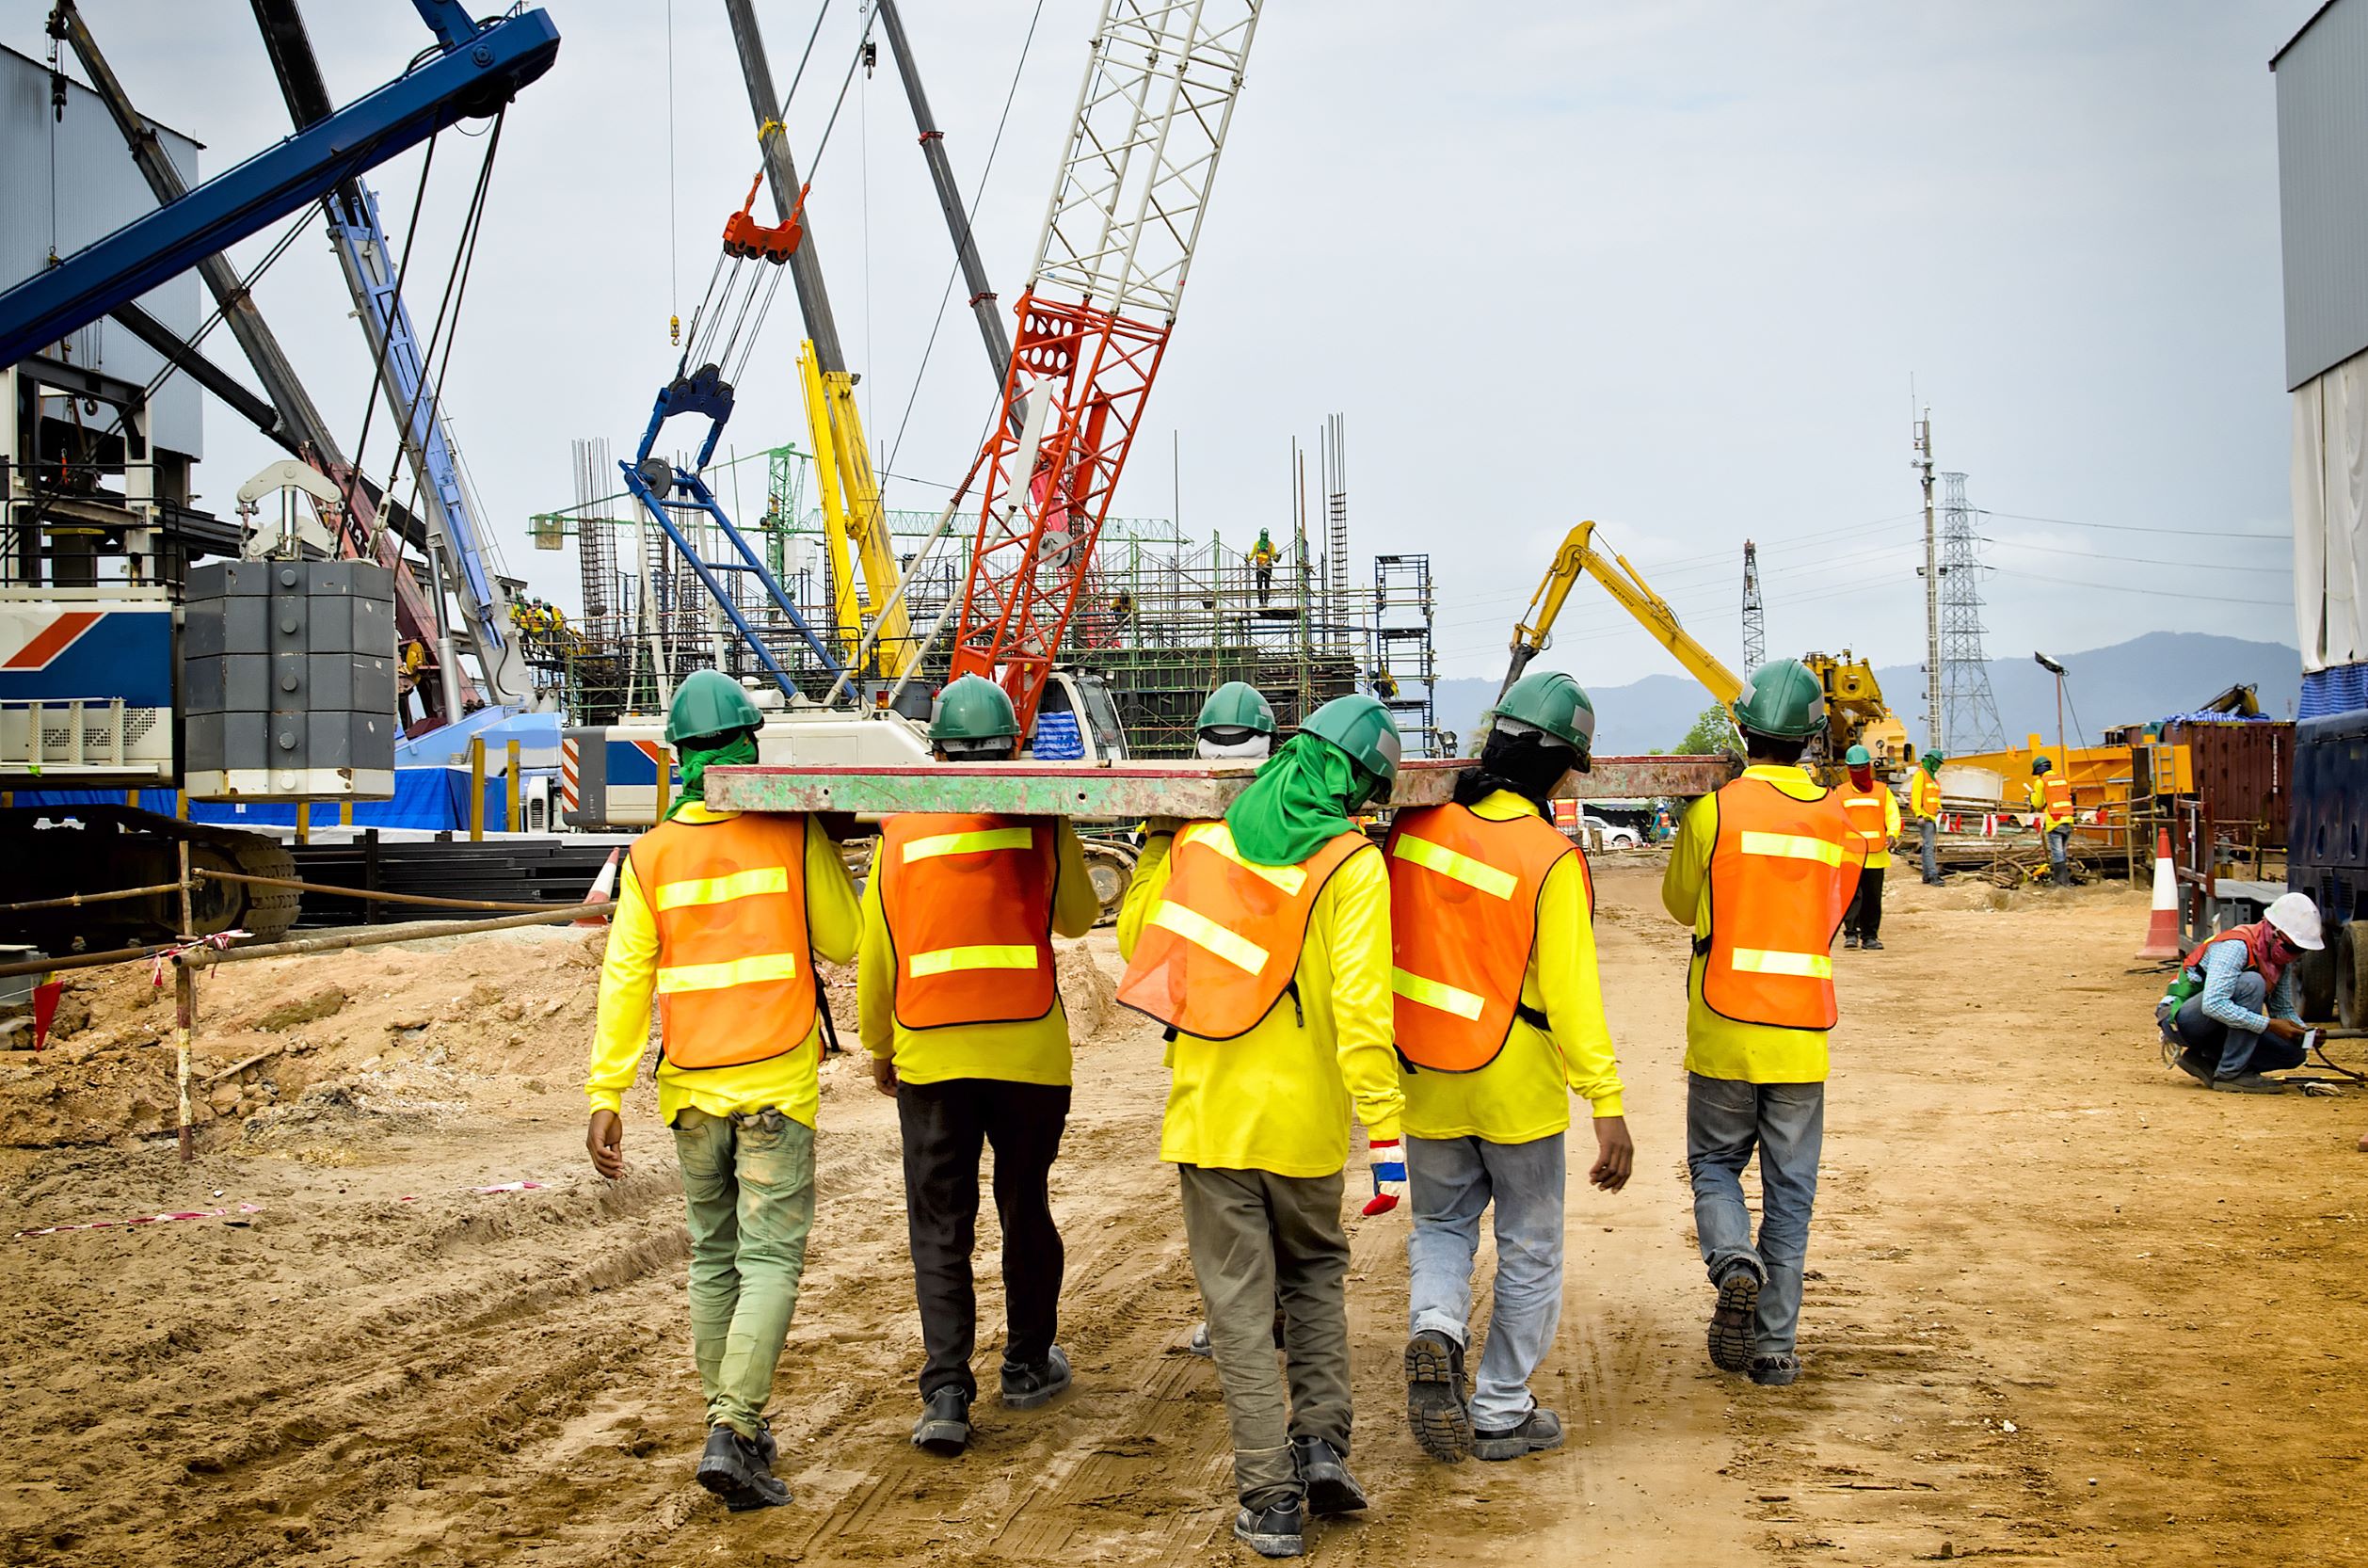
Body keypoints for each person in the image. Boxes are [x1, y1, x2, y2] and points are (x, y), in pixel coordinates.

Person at [1115, 694, 1406, 1559]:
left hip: (1209, 1118)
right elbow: (1361, 1010)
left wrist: (1152, 851)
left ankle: (1269, 1502)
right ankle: (1322, 1450)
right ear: (1359, 789)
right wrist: (1386, 1138)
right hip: (1306, 1126)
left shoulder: (1203, 844)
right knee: (1314, 1277)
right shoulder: (1354, 866)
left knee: (1239, 1313)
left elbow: (1142, 946)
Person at [584, 669, 861, 1512]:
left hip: (691, 1094)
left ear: (680, 757)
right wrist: (821, 839)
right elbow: (846, 943)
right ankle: (734, 1430)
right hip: (775, 1084)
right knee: (770, 1258)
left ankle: (732, 1421)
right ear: (752, 744)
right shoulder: (786, 831)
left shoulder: (651, 852)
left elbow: (626, 975)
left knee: (714, 1259)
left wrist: (606, 1090)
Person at [1385, 671, 1633, 1466]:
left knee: (1441, 1227)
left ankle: (1436, 1328)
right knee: (1528, 1245)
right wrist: (1607, 1102)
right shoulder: (1551, 859)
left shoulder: (1417, 828)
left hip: (1424, 1075)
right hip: (1517, 1084)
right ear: (1558, 768)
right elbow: (1573, 998)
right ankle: (1498, 1407)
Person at [858, 674, 1101, 1458]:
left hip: (931, 1051)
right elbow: (1077, 921)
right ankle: (1028, 1363)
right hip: (1029, 1052)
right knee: (1022, 1203)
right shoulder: (1036, 818)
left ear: (935, 747)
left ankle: (947, 1392)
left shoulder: (900, 832)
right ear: (1012, 746)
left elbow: (878, 955)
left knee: (940, 1223)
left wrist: (880, 1047)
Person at [1660, 659, 1862, 1390]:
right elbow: (1835, 913)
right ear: (1812, 739)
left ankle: (1731, 1261)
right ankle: (1775, 1349)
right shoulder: (1838, 821)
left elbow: (1682, 906)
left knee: (1715, 1167)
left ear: (1742, 731)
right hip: (1802, 1036)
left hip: (1721, 1026)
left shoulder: (1713, 813)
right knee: (1791, 1193)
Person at [2158, 892, 2324, 1094]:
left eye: (2300, 950)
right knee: (2251, 982)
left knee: (2294, 1053)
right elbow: (2213, 1004)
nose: (2293, 955)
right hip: (2183, 1021)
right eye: (2290, 947)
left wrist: (2304, 1033)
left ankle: (2205, 1059)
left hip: (2217, 1026)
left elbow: (2282, 1009)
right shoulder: (2235, 946)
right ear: (2272, 931)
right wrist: (2268, 1025)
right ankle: (2231, 1073)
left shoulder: (2277, 960)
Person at [1838, 744, 1900, 952]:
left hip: (1875, 853)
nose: (1858, 772)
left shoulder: (1883, 791)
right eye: (1854, 768)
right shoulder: (1841, 792)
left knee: (1872, 898)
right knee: (1851, 896)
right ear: (1848, 769)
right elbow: (1834, 820)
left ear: (1869, 767)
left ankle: (1870, 936)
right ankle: (1851, 934)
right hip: (1850, 854)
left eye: (1861, 767)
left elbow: (1892, 815)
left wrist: (1892, 834)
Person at [2027, 755, 2074, 887]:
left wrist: (2032, 796)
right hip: (2068, 818)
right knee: (2063, 852)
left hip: (2054, 820)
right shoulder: (2062, 779)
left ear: (2038, 771)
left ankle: (2061, 882)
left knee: (2057, 852)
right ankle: (2064, 881)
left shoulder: (2041, 782)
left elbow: (2038, 803)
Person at [1910, 749, 1945, 886]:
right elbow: (1915, 796)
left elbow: (1934, 797)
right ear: (1931, 760)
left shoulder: (1933, 777)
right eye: (1937, 762)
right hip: (1925, 817)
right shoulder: (1921, 774)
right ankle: (1933, 875)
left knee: (1927, 846)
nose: (1938, 765)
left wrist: (1939, 808)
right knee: (1929, 847)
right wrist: (1918, 814)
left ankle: (1926, 875)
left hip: (1932, 816)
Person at [1250, 528, 1279, 606]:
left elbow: (1274, 555)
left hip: (1268, 567)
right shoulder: (1257, 544)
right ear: (1260, 535)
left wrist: (1277, 557)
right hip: (1259, 567)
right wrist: (1248, 559)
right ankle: (1261, 602)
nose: (1264, 537)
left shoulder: (1271, 545)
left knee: (1266, 584)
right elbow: (1252, 554)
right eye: (1263, 535)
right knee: (1259, 584)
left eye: (1265, 535)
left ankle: (1266, 601)